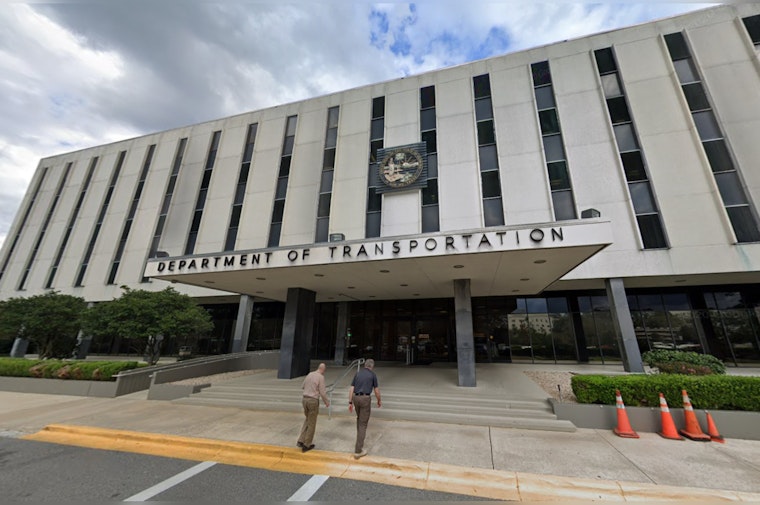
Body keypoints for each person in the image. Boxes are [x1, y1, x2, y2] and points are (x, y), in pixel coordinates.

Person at [348, 358, 381, 459]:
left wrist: (350, 402)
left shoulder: (358, 373)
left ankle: (359, 440)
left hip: (356, 398)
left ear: (365, 365)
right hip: (365, 398)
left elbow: (352, 388)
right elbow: (376, 390)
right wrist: (379, 400)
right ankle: (358, 450)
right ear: (372, 366)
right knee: (363, 424)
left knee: (359, 419)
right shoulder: (372, 375)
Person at [297, 362, 330, 453]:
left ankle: (301, 440)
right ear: (323, 370)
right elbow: (323, 392)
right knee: (312, 423)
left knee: (307, 419)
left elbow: (302, 386)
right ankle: (307, 444)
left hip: (304, 400)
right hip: (313, 401)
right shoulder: (321, 377)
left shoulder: (310, 374)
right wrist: (327, 402)